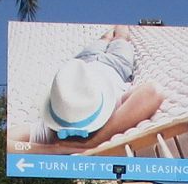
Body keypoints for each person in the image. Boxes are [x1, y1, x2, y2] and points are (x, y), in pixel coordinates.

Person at [25, 25, 164, 152]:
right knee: (121, 37)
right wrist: (93, 141)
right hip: (116, 64)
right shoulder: (113, 108)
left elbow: (8, 141)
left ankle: (113, 28)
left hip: (82, 63)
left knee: (104, 38)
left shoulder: (51, 128)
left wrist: (55, 149)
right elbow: (153, 92)